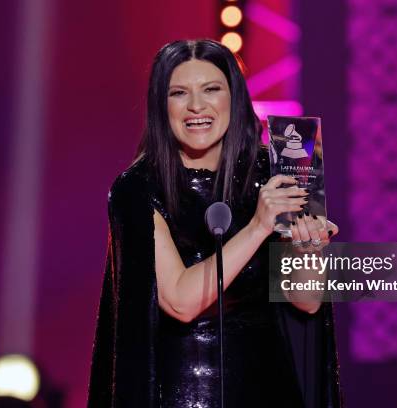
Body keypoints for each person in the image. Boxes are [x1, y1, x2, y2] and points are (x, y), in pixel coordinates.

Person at [87, 39, 342, 407]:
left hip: (268, 385)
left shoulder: (274, 174)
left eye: (211, 89)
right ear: (162, 105)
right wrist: (257, 227)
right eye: (179, 93)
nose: (196, 106)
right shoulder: (138, 189)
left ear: (234, 98)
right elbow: (180, 302)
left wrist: (308, 249)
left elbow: (306, 301)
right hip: (180, 391)